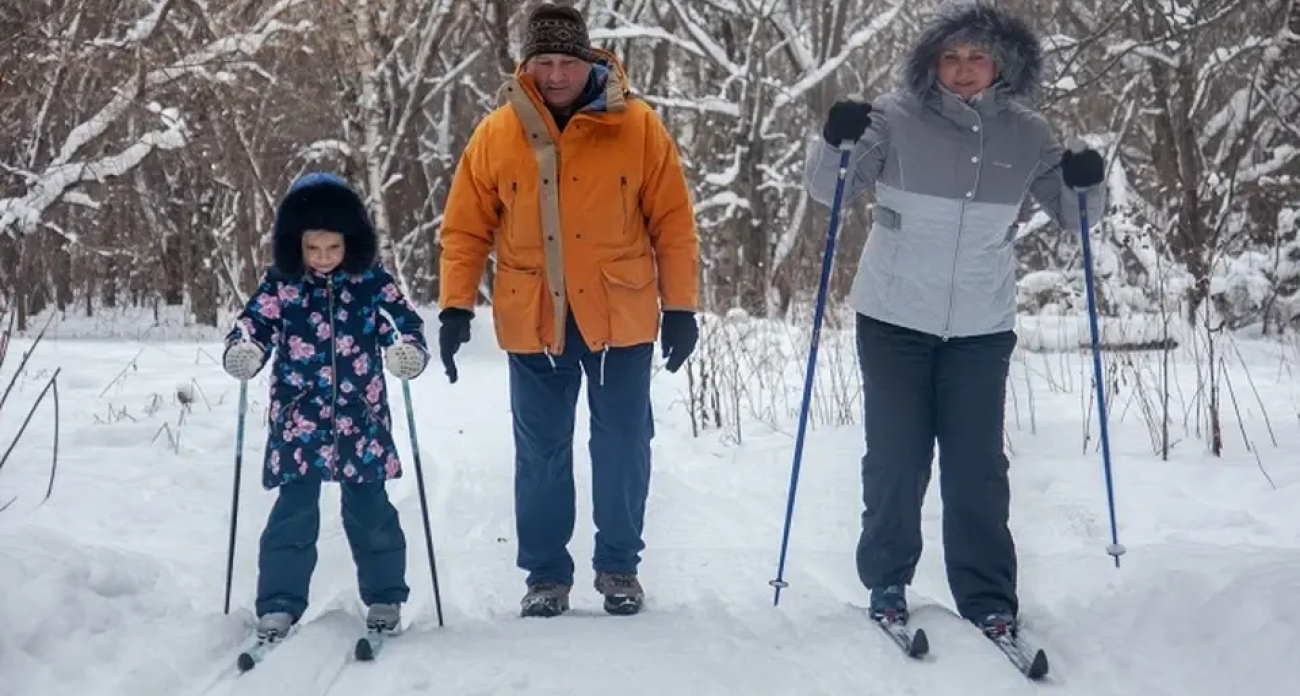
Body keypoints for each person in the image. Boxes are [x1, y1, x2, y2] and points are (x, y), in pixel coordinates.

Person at [803, 2, 1107, 637]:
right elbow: (831, 190)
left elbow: (1078, 219)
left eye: (977, 57)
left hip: (980, 323)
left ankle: (988, 595)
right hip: (892, 316)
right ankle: (887, 582)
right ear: (931, 61)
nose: (964, 70)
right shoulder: (893, 117)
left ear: (1002, 63)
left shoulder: (1028, 132)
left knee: (977, 465)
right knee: (896, 457)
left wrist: (1087, 183)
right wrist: (834, 138)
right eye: (951, 56)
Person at [435, 3, 700, 618]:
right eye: (544, 63)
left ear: (589, 63)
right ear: (526, 66)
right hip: (535, 318)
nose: (556, 75)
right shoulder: (496, 134)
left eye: (567, 63)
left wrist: (681, 306)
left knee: (623, 444)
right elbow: (464, 230)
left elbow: (674, 224)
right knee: (542, 451)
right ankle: (547, 576)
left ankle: (618, 568)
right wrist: (454, 306)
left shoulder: (638, 127)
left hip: (621, 316)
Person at [221, 172, 431, 642]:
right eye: (313, 249)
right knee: (293, 512)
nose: (323, 259)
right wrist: (246, 350)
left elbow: (404, 325)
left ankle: (384, 596)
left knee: (370, 511)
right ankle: (278, 603)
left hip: (361, 418)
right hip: (299, 419)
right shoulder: (282, 286)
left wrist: (406, 353)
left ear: (350, 243)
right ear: (295, 245)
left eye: (333, 249)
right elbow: (252, 326)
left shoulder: (371, 283)